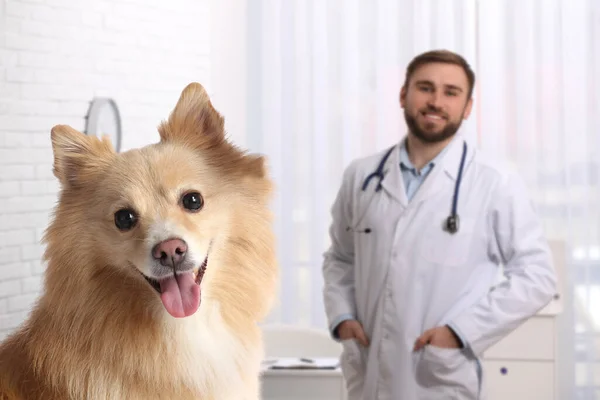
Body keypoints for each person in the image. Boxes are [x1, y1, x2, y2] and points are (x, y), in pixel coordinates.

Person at [321, 49, 558, 400]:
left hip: (439, 375)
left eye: (451, 92)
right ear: (404, 95)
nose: (436, 101)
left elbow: (538, 277)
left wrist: (460, 332)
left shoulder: (495, 182)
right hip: (368, 371)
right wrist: (342, 317)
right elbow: (340, 258)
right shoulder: (362, 176)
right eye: (425, 88)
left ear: (467, 107)